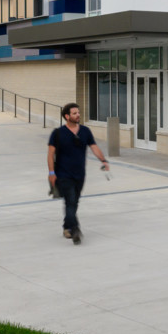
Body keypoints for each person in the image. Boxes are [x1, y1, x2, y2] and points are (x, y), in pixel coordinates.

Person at [47, 102, 109, 245]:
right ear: (67, 116)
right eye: (74, 113)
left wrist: (103, 160)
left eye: (78, 113)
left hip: (80, 174)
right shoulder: (57, 133)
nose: (78, 115)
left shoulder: (85, 131)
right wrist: (51, 172)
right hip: (63, 174)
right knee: (70, 201)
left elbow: (94, 147)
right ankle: (75, 230)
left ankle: (66, 226)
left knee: (74, 202)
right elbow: (50, 154)